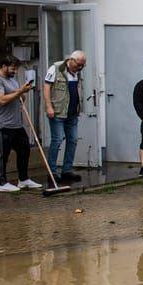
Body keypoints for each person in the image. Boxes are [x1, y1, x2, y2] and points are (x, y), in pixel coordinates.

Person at [0, 56, 42, 192]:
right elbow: (1, 100)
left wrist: (23, 92)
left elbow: (20, 98)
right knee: (3, 154)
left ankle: (23, 179)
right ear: (4, 66)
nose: (15, 71)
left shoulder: (12, 80)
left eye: (16, 69)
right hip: (2, 124)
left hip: (16, 123)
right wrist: (19, 92)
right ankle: (1, 183)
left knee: (24, 149)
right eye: (13, 68)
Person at [42, 49, 88, 184]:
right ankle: (52, 172)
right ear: (71, 60)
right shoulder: (56, 68)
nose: (80, 67)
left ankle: (67, 170)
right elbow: (46, 87)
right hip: (58, 112)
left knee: (73, 140)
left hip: (72, 113)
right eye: (78, 64)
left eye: (82, 65)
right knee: (57, 139)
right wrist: (49, 106)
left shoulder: (77, 72)